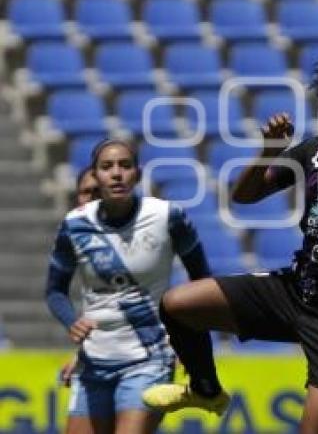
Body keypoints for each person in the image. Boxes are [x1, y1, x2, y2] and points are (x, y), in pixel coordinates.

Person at [142, 32, 318, 434]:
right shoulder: (313, 150)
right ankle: (205, 389)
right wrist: (268, 151)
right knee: (178, 304)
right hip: (296, 293)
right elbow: (243, 196)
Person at [45, 139, 212, 434]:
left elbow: (202, 282)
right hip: (93, 363)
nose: (117, 173)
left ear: (138, 173)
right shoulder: (74, 225)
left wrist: (191, 345)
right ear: (95, 175)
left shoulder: (167, 217)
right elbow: (55, 290)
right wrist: (71, 322)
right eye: (107, 167)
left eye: (125, 165)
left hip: (148, 358)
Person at [58, 166, 103, 388]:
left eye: (98, 191)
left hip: (145, 361)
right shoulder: (78, 238)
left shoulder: (143, 233)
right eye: (86, 193)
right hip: (101, 356)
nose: (93, 199)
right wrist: (83, 353)